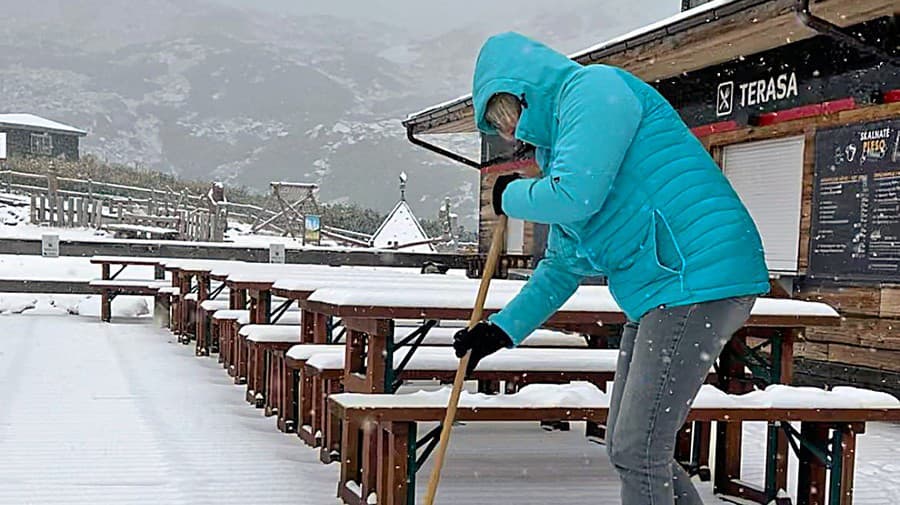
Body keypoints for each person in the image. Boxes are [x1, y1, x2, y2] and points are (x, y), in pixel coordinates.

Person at [451, 32, 770, 505]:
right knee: (630, 449)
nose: (512, 134)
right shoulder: (560, 155)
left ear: (527, 92)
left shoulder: (595, 91)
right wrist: (499, 331)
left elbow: (577, 196)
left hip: (697, 276)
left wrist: (510, 195)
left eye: (509, 118)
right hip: (660, 291)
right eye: (501, 127)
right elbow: (563, 265)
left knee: (639, 450)